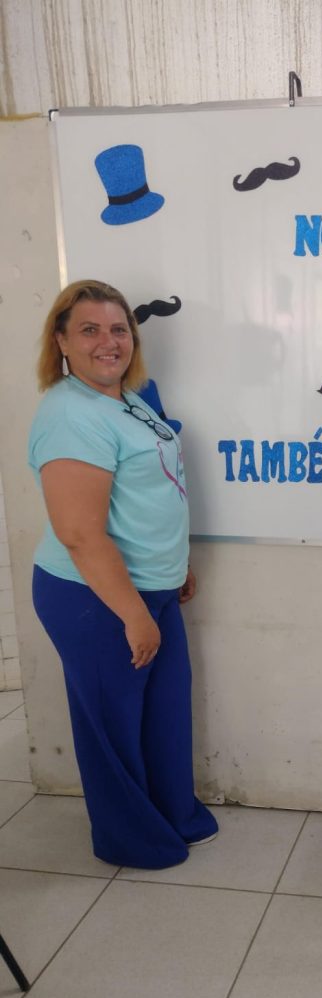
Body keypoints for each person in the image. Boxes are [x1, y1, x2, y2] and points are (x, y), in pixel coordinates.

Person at [29, 279, 217, 869]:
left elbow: (156, 489)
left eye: (118, 329)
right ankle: (130, 839)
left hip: (150, 586)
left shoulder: (127, 398)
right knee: (113, 728)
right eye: (89, 330)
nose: (108, 342)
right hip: (95, 598)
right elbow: (80, 534)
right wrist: (134, 614)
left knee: (163, 713)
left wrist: (174, 566)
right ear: (61, 341)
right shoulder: (70, 413)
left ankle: (172, 815)